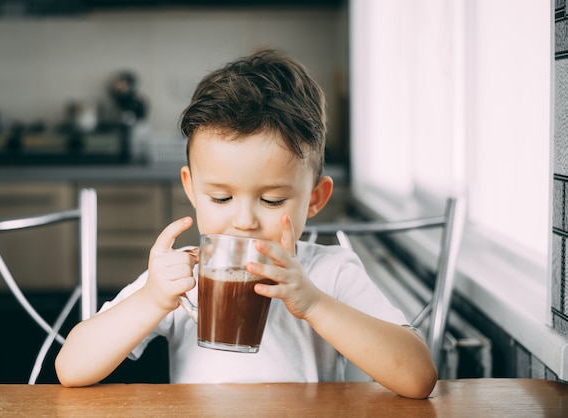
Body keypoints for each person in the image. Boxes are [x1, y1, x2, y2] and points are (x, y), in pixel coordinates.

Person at [55, 49, 438, 399]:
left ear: (316, 198)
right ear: (191, 188)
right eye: (221, 198)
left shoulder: (330, 273)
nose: (243, 221)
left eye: (271, 200)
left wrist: (314, 303)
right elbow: (71, 368)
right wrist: (151, 299)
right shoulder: (182, 278)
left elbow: (418, 377)